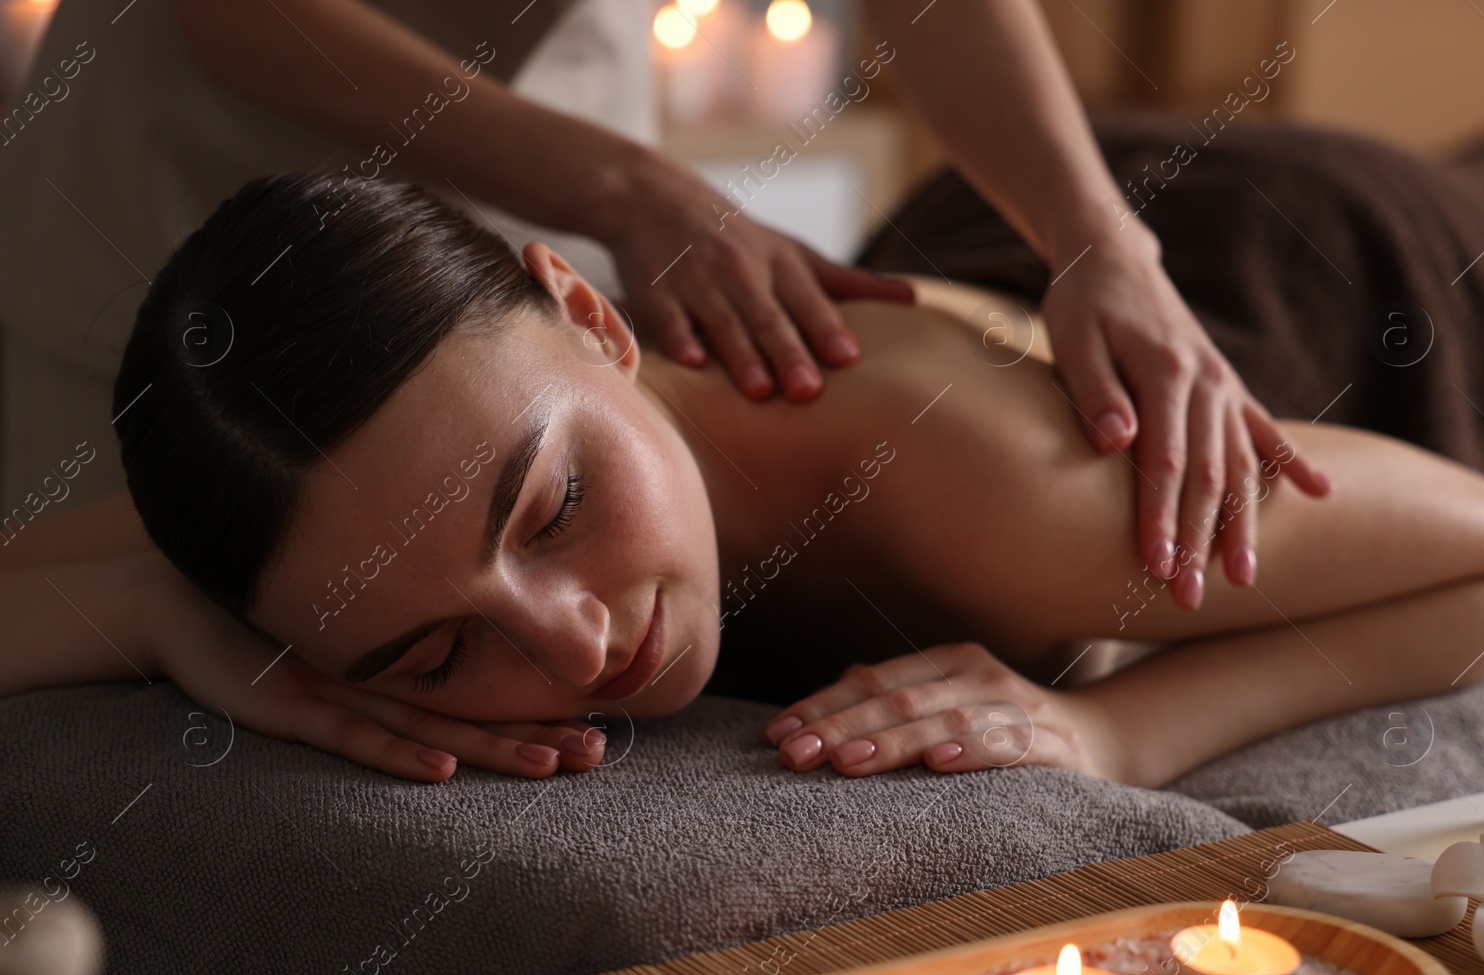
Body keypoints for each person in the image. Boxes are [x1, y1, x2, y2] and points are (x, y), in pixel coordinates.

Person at [0, 172, 1484, 788]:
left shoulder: (1016, 513)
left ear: (595, 317)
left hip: (1332, 263)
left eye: (555, 511)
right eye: (431, 656)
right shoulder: (339, 509)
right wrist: (179, 624)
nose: (572, 646)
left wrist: (1116, 728)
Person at [0, 0, 1330, 618]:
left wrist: (1100, 239)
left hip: (538, 191)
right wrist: (157, 625)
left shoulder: (989, 474)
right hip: (174, 196)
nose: (579, 649)